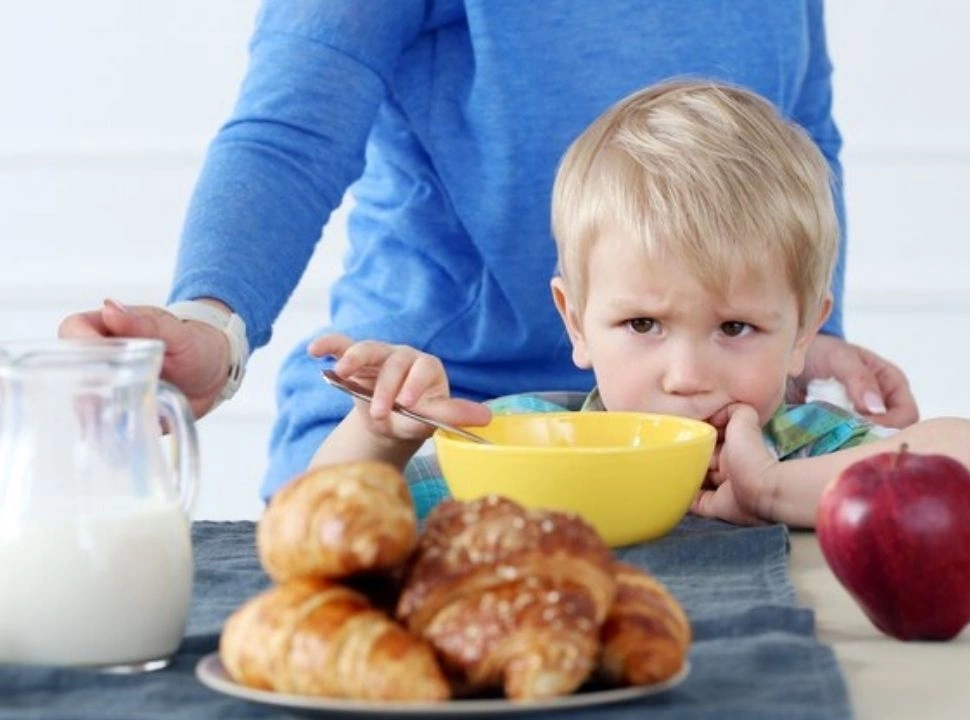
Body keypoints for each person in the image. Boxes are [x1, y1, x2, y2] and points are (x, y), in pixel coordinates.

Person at [57, 1, 922, 503]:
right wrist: (214, 320)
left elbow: (800, 134)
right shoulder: (419, 445)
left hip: (711, 470)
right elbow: (291, 132)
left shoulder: (786, 440)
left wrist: (801, 332)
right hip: (433, 425)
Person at [309, 80, 970, 529]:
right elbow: (319, 519)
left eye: (736, 327)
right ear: (576, 322)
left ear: (802, 334)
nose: (687, 374)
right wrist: (386, 435)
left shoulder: (812, 449)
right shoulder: (529, 446)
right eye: (643, 324)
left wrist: (776, 492)